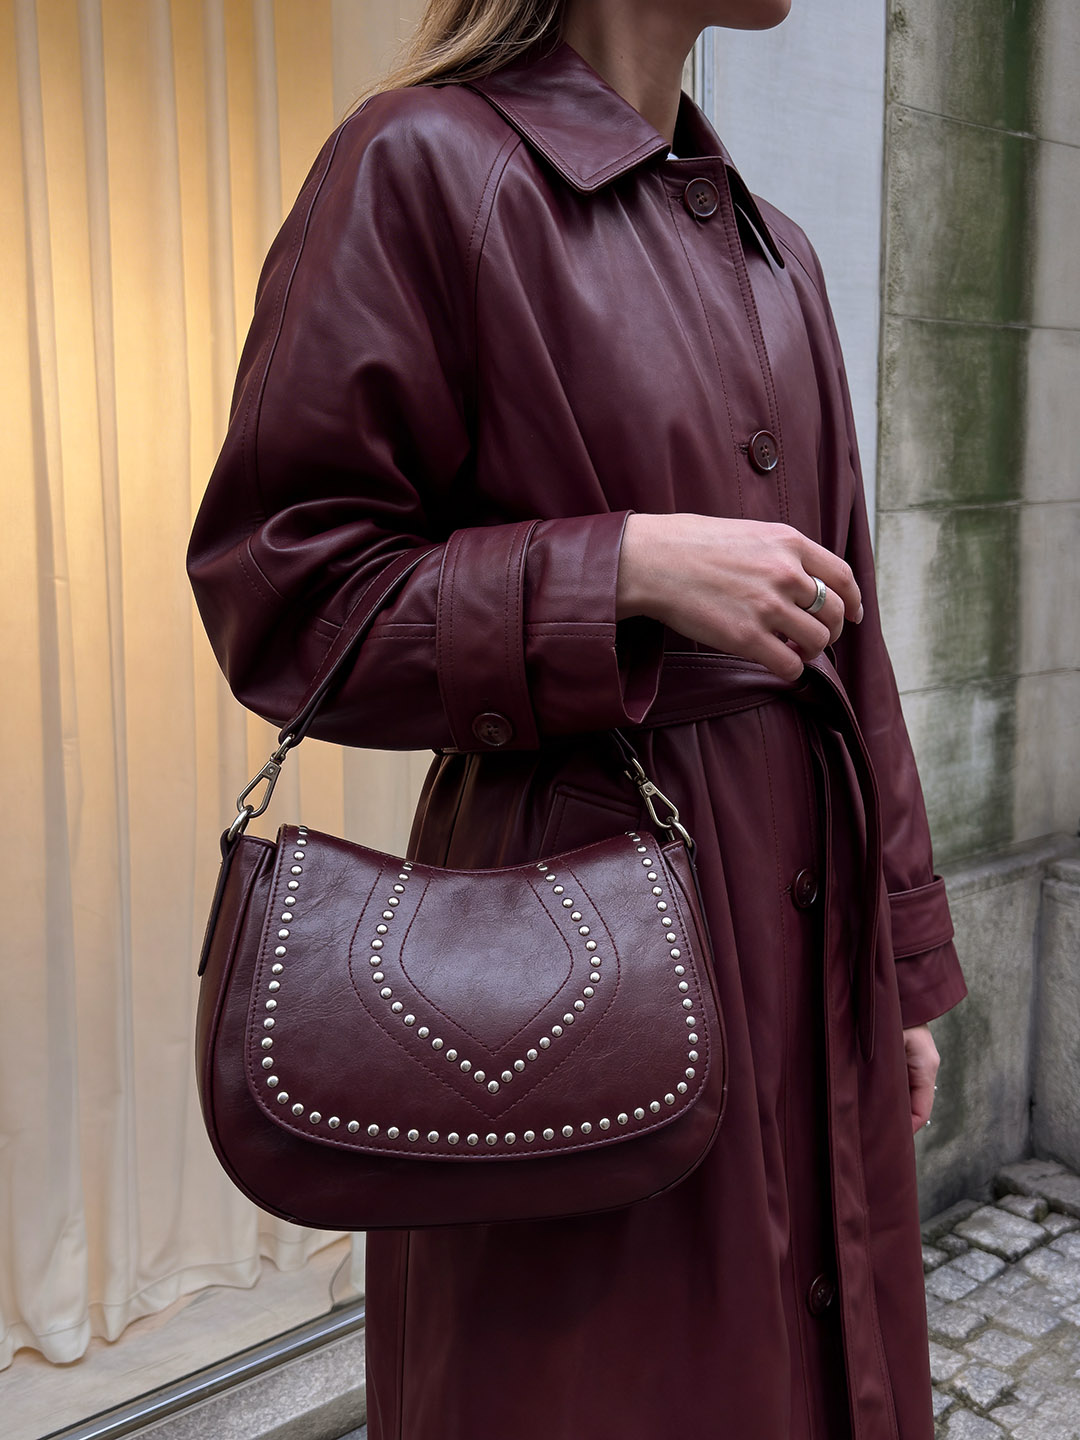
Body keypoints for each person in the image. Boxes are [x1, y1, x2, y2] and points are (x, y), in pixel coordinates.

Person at [187, 1, 968, 1435]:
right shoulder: (422, 167)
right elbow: (282, 591)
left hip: (813, 948)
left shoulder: (778, 252)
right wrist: (620, 572)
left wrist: (900, 966)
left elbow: (851, 646)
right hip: (567, 960)